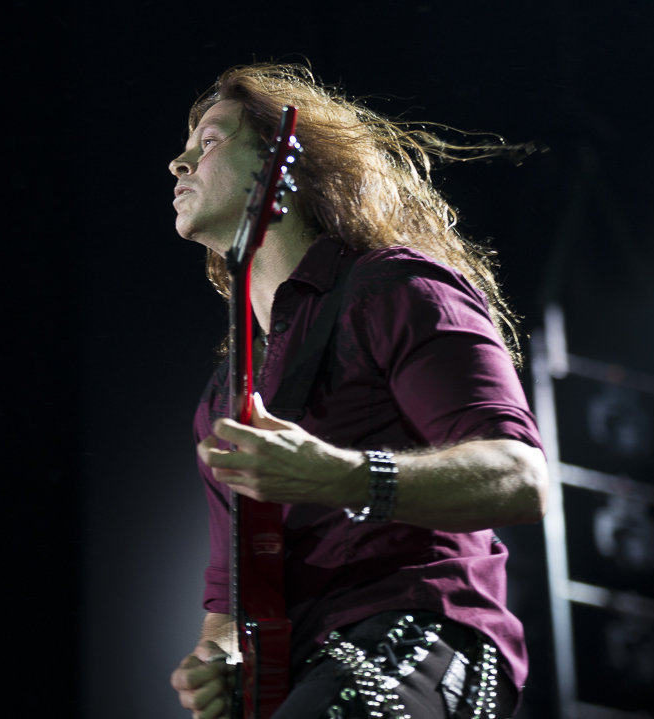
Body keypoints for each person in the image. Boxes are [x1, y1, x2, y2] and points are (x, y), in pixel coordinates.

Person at [167, 64, 548, 719]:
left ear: (283, 164)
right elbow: (230, 601)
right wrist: (218, 660)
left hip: (423, 634)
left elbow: (520, 475)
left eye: (208, 142)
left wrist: (343, 476)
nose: (179, 163)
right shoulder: (225, 396)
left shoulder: (393, 287)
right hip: (301, 673)